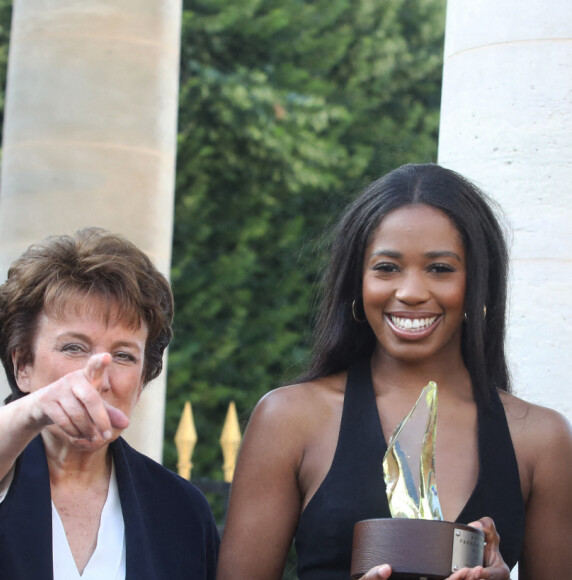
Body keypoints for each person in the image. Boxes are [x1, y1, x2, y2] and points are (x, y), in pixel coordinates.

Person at [216, 164, 572, 580]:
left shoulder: (540, 439)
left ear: (479, 283)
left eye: (440, 268)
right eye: (387, 268)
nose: (410, 292)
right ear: (357, 281)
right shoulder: (290, 419)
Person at [0, 227, 220, 579]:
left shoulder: (181, 510)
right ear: (23, 365)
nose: (97, 377)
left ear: (144, 378)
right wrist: (34, 410)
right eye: (73, 348)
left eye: (124, 356)